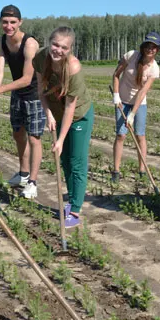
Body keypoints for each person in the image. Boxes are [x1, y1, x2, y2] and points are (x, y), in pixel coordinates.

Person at [33, 27, 93, 228]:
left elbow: (70, 108)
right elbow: (41, 89)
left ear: (70, 49)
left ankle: (75, 210)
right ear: (50, 42)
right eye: (55, 44)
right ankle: (71, 201)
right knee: (65, 161)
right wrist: (48, 113)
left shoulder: (73, 68)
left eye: (64, 47)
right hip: (57, 114)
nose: (58, 50)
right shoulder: (41, 57)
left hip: (78, 116)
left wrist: (59, 140)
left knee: (76, 161)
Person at [0, 5, 44, 198]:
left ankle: (33, 183)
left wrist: (0, 89)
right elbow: (0, 70)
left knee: (34, 138)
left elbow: (27, 78)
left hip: (35, 95)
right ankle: (24, 174)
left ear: (20, 22)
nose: (8, 26)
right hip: (17, 95)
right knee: (18, 134)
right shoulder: (1, 42)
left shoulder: (30, 44)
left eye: (12, 22)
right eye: (4, 22)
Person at [111, 32, 160, 183]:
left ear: (157, 50)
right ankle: (116, 170)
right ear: (143, 46)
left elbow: (143, 92)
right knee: (121, 135)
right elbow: (116, 74)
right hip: (122, 101)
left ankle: (141, 170)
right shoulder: (131, 56)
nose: (150, 49)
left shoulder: (154, 69)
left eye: (154, 47)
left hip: (139, 104)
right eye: (148, 46)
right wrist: (116, 95)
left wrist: (132, 114)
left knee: (140, 136)